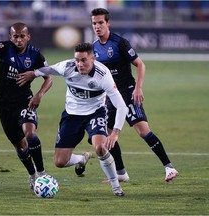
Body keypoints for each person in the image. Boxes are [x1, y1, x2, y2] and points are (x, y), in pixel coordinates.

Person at [17, 42, 129, 196]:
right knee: (59, 162)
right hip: (71, 116)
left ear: (93, 59)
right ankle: (82, 159)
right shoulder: (68, 66)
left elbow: (122, 106)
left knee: (101, 148)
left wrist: (115, 132)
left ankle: (116, 187)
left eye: (83, 60)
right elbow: (50, 69)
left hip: (95, 113)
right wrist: (34, 73)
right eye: (77, 60)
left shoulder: (103, 75)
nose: (79, 64)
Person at [89, 8, 179, 182]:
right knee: (106, 135)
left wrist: (138, 88)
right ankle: (121, 173)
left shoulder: (119, 43)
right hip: (110, 97)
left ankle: (169, 167)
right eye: (94, 23)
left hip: (128, 92)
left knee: (143, 130)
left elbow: (140, 64)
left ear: (108, 23)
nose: (97, 26)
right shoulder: (93, 48)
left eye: (101, 23)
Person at [0, 22, 53, 191]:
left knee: (30, 133)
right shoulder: (5, 48)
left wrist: (39, 94)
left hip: (25, 101)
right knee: (20, 146)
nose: (19, 40)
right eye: (15, 36)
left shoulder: (35, 55)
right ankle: (32, 174)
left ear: (28, 37)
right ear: (10, 37)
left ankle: (42, 173)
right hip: (5, 106)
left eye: (22, 36)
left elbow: (49, 77)